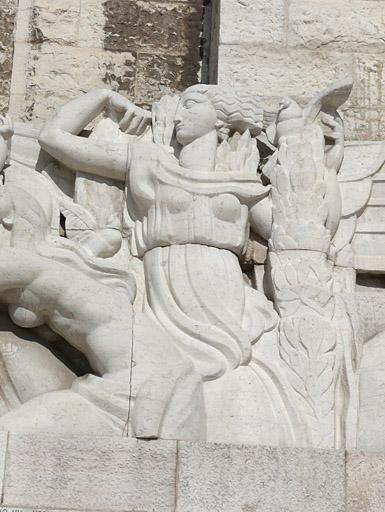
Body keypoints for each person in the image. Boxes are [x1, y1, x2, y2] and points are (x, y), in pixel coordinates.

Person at [39, 86, 277, 389]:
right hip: (164, 283)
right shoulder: (148, 159)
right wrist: (103, 97)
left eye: (190, 105)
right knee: (166, 377)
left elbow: (285, 233)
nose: (178, 115)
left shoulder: (238, 172)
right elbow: (53, 138)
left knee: (230, 381)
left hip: (226, 287)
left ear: (221, 117)